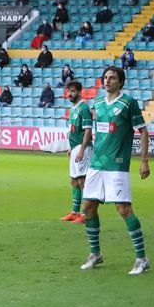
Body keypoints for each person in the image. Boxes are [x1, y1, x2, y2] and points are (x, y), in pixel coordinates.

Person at [78, 66, 151, 275]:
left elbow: (143, 131)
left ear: (121, 82)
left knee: (123, 209)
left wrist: (144, 160)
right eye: (105, 77)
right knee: (88, 207)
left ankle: (142, 258)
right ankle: (95, 254)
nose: (107, 80)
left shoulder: (129, 103)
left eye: (112, 78)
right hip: (96, 165)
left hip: (117, 165)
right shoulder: (98, 103)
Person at [62, 80, 93, 223]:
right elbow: (74, 130)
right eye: (69, 91)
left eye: (73, 91)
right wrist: (71, 147)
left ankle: (86, 215)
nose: (70, 94)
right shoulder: (74, 108)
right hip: (75, 148)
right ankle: (75, 212)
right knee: (74, 181)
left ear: (80, 92)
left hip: (83, 148)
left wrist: (81, 150)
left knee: (82, 181)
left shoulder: (84, 108)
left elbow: (88, 131)